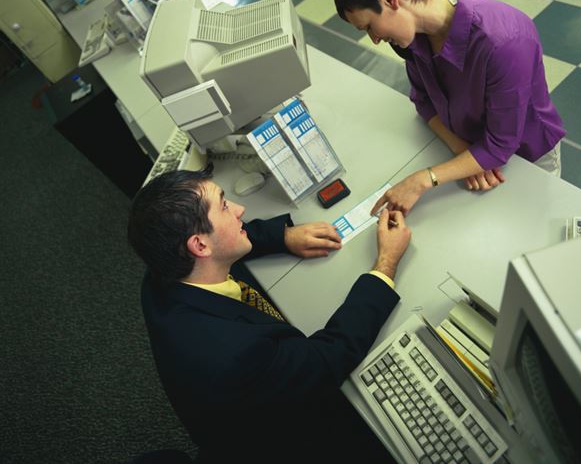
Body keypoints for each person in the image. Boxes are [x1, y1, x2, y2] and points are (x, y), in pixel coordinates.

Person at [127, 164, 411, 462]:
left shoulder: (161, 277)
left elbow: (220, 246)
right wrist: (386, 263)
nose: (240, 209)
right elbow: (329, 357)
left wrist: (282, 237)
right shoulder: (237, 354)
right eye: (224, 207)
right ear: (199, 245)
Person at [334, 0, 566, 217]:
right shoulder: (415, 37)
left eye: (369, 26)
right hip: (473, 156)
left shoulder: (505, 42)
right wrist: (464, 153)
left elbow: (500, 145)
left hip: (526, 157)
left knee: (538, 221)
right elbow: (423, 101)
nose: (374, 39)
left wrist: (422, 179)